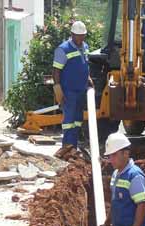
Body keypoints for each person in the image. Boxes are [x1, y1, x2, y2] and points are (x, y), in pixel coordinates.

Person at [99, 132, 145, 226]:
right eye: (109, 156)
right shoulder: (116, 174)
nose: (111, 159)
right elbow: (115, 203)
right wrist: (106, 225)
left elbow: (142, 205)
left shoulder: (134, 175)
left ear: (125, 153)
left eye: (114, 155)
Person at [53, 21, 94, 158]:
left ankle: (74, 148)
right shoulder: (63, 49)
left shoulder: (85, 47)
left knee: (77, 120)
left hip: (81, 90)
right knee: (68, 121)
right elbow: (56, 71)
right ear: (72, 34)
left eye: (83, 36)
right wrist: (58, 88)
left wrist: (88, 78)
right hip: (68, 91)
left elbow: (85, 65)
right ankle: (67, 147)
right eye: (78, 36)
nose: (81, 39)